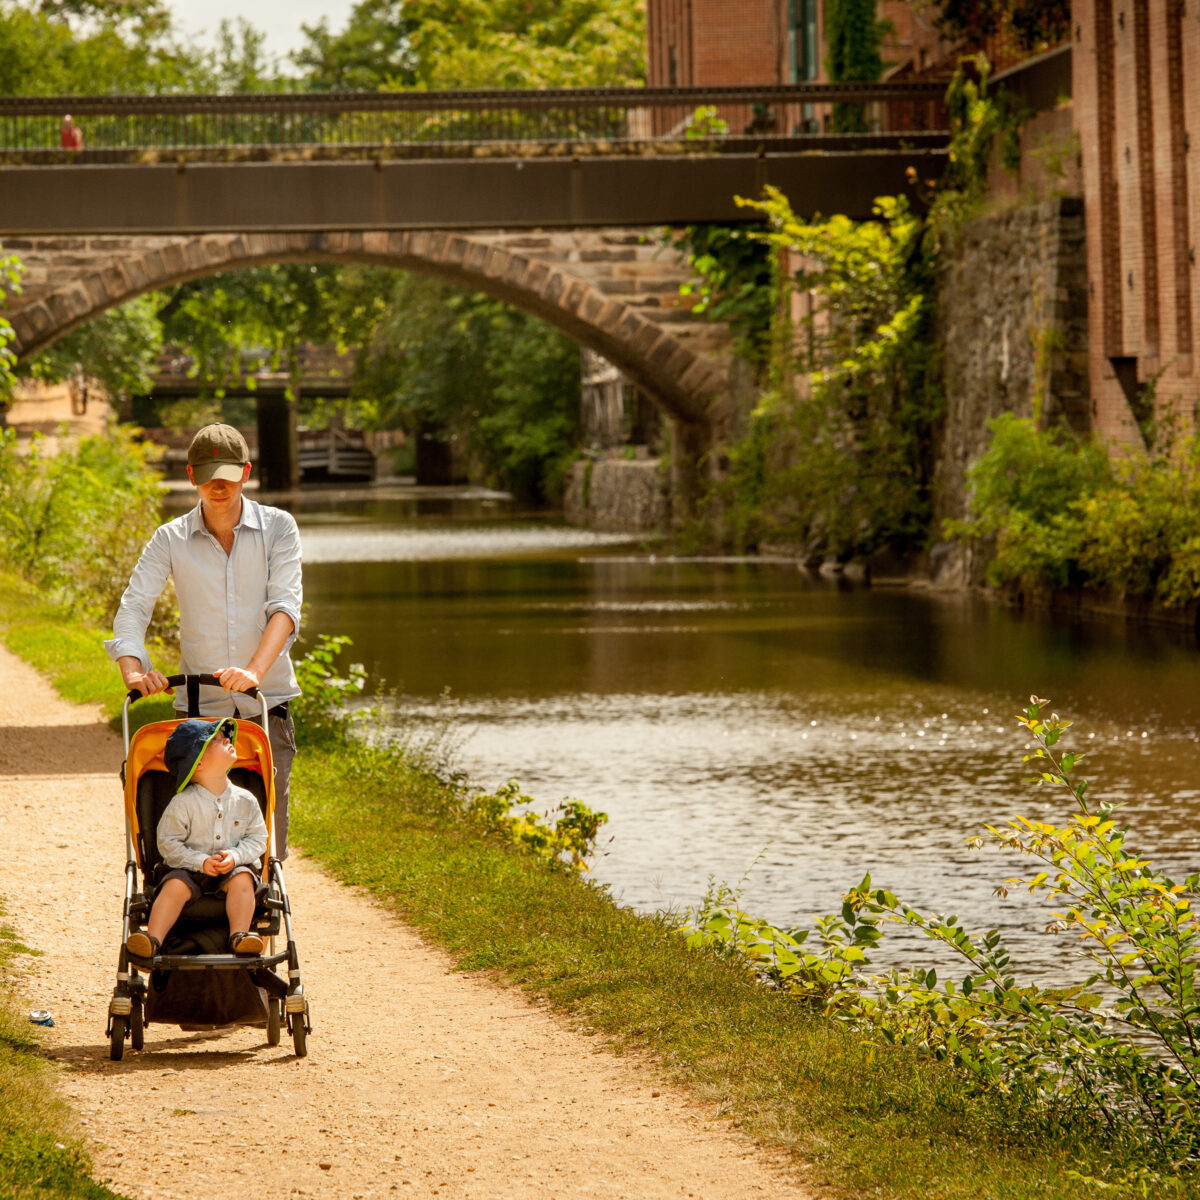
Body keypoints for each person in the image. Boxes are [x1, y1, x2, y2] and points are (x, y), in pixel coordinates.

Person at [106, 423, 302, 857]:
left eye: (228, 475)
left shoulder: (278, 528)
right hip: (197, 716)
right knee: (192, 839)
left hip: (265, 706)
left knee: (267, 845)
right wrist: (133, 669)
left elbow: (285, 609)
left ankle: (258, 922)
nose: (219, 486)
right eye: (209, 474)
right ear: (192, 475)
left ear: (246, 472)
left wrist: (253, 671)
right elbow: (135, 606)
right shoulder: (170, 538)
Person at [126, 717, 268, 958]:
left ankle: (239, 937)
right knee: (174, 886)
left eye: (226, 737)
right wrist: (199, 861)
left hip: (233, 868)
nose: (227, 739)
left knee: (243, 879)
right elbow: (168, 844)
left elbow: (258, 839)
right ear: (199, 763)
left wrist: (235, 856)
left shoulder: (246, 800)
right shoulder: (183, 803)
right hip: (189, 869)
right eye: (217, 740)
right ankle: (152, 941)